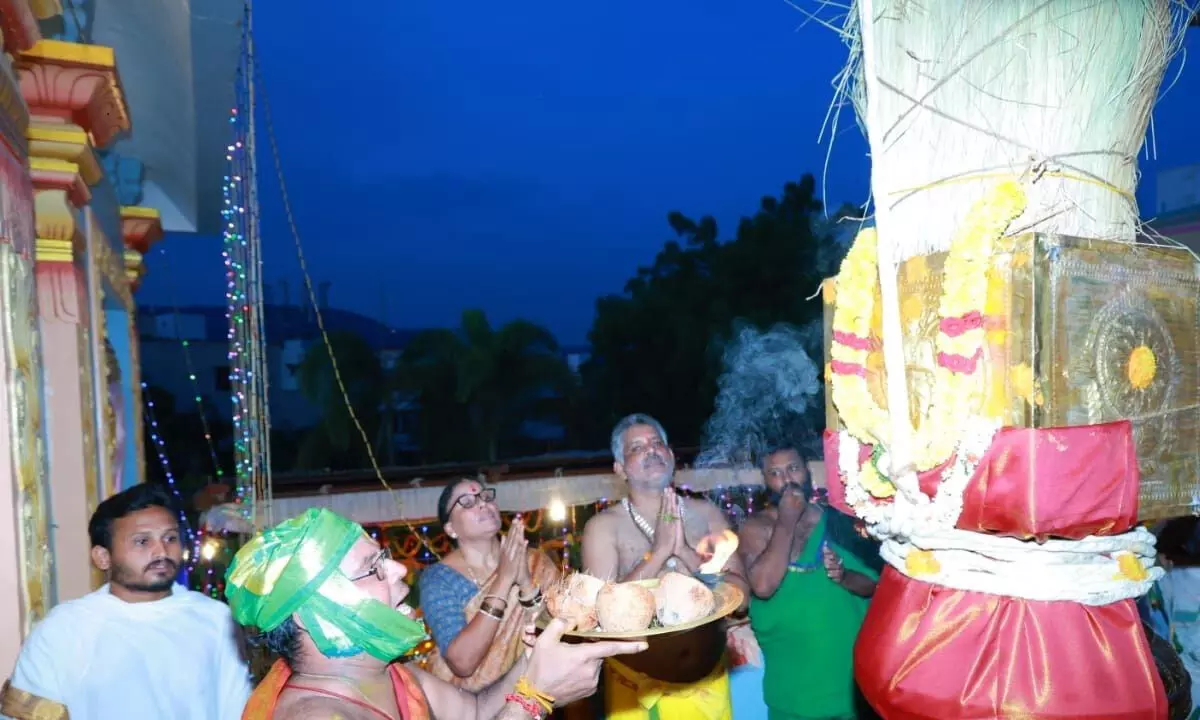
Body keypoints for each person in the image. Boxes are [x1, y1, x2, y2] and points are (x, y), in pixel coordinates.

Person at [228, 507, 647, 720]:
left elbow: (480, 711)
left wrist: (535, 662)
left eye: (385, 557)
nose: (398, 570)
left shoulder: (391, 674)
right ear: (310, 614)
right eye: (371, 569)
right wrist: (532, 700)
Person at [1, 483, 252, 720]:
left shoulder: (214, 619)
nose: (162, 552)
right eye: (142, 541)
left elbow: (239, 709)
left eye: (170, 538)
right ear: (102, 557)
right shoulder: (63, 629)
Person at [581, 413, 749, 720]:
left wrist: (685, 551)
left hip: (708, 685)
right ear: (620, 469)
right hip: (634, 693)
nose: (651, 450)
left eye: (657, 443)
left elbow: (741, 598)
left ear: (671, 455)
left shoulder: (706, 514)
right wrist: (657, 553)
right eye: (637, 447)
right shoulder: (603, 528)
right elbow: (598, 619)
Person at [738, 444, 878, 720]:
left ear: (808, 472)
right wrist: (787, 521)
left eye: (793, 468)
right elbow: (763, 586)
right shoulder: (756, 528)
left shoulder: (839, 521)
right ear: (765, 481)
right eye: (775, 473)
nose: (787, 479)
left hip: (848, 686)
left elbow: (873, 586)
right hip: (793, 693)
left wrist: (844, 576)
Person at [420, 479, 561, 691]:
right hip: (469, 706)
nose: (482, 504)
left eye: (485, 496)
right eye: (466, 501)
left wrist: (525, 583)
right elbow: (462, 662)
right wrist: (504, 579)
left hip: (535, 694)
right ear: (451, 528)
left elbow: (562, 634)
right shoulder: (439, 579)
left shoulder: (535, 562)